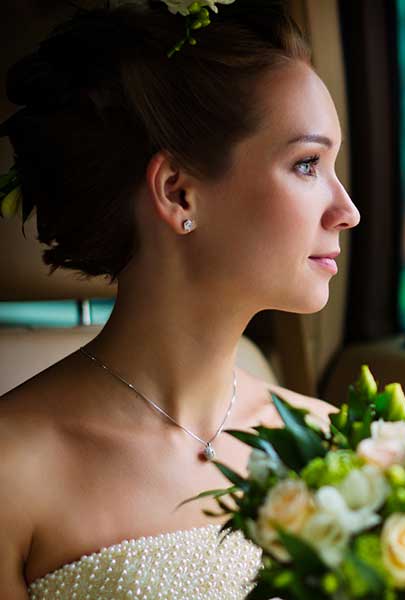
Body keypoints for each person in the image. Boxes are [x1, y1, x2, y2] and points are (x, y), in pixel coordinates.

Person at [0, 0, 359, 597]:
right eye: (306, 164)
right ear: (178, 192)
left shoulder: (335, 443)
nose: (347, 211)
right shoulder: (14, 472)